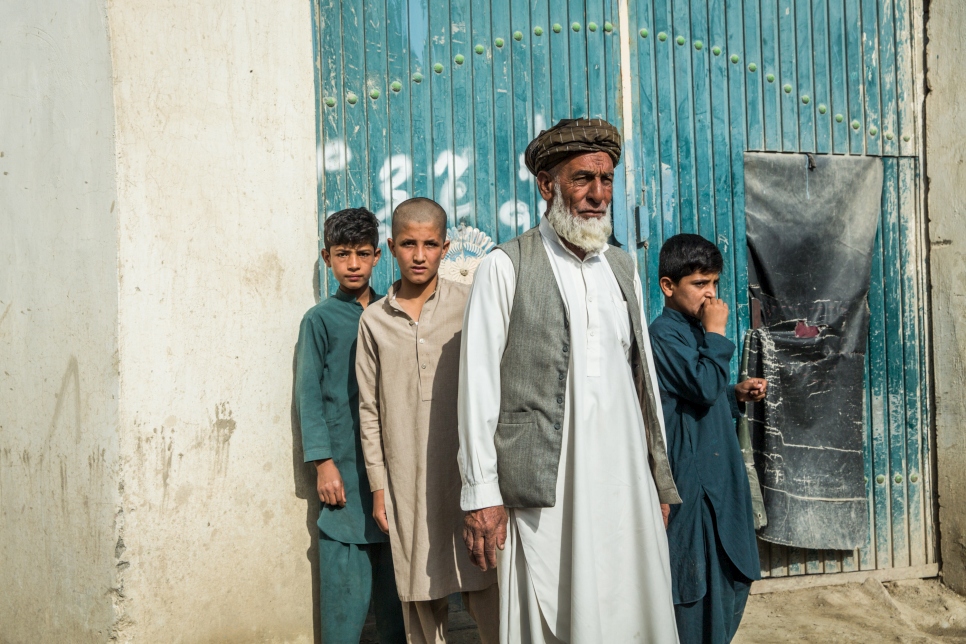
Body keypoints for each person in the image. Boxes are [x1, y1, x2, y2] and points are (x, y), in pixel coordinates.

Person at [458, 118, 681, 643]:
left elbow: (643, 381)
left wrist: (660, 479)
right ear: (547, 184)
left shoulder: (622, 268)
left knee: (632, 608)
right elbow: (477, 390)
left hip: (625, 484)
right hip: (545, 490)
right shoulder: (504, 267)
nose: (598, 195)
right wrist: (479, 493)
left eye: (606, 181)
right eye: (583, 179)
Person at [356, 197, 499, 644]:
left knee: (490, 589)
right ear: (392, 247)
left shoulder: (471, 305)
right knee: (420, 592)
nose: (420, 256)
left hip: (467, 475)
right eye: (408, 244)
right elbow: (369, 409)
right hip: (407, 479)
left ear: (446, 247)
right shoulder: (374, 320)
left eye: (430, 244)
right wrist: (379, 485)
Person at [648, 234, 767, 644]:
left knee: (732, 575)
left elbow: (703, 398)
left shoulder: (697, 332)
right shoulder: (664, 334)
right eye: (699, 284)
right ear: (668, 286)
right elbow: (698, 386)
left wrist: (734, 394)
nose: (710, 294)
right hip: (692, 481)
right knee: (696, 585)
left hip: (721, 476)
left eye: (714, 283)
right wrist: (717, 336)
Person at [295, 207, 406, 644]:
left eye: (363, 253)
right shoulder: (319, 320)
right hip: (343, 468)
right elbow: (308, 396)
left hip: (391, 468)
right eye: (343, 254)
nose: (354, 264)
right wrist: (323, 463)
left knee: (396, 597)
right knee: (343, 588)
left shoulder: (390, 313)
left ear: (378, 255)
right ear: (327, 257)